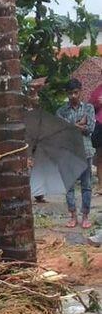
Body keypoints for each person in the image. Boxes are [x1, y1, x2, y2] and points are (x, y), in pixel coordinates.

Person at [56, 79, 96, 229]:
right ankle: (73, 216)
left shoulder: (89, 108)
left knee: (86, 186)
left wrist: (72, 126)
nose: (73, 96)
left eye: (75, 92)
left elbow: (90, 128)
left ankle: (85, 216)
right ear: (67, 94)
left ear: (80, 92)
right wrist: (79, 125)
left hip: (85, 151)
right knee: (69, 186)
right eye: (70, 93)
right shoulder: (61, 111)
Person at [89, 82, 102, 195]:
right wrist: (98, 103)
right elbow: (90, 106)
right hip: (99, 124)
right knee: (100, 156)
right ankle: (100, 185)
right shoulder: (97, 90)